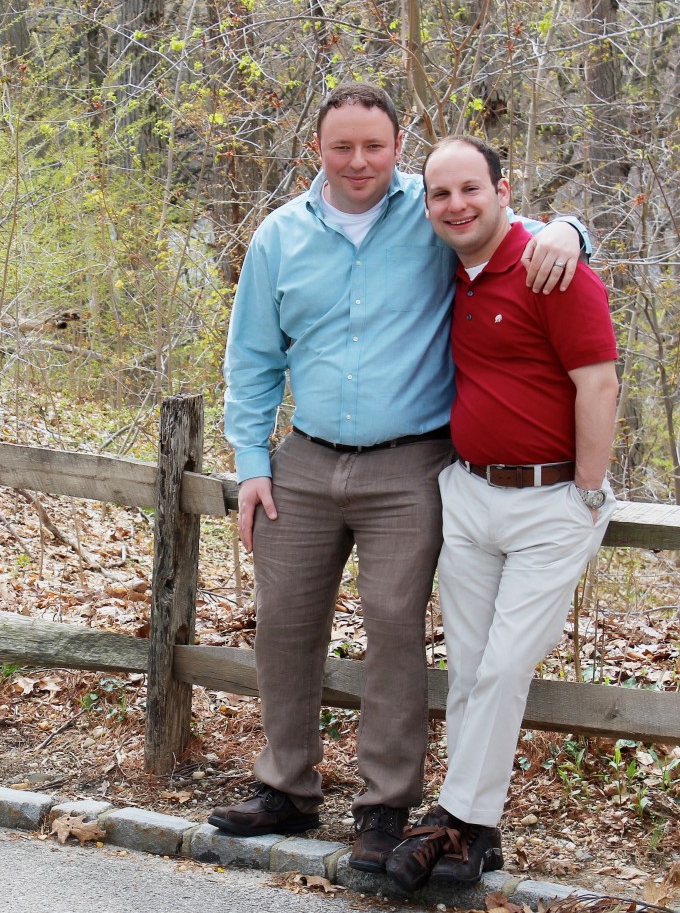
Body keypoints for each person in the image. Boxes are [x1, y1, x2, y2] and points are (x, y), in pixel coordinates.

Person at [208, 83, 590, 874]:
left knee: (392, 628)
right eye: (342, 146)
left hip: (412, 459)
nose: (358, 162)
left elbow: (506, 230)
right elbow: (251, 360)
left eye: (374, 147)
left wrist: (570, 227)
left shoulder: (430, 212)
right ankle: (286, 785)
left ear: (397, 146)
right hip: (305, 459)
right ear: (317, 148)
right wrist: (251, 463)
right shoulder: (279, 237)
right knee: (282, 622)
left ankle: (384, 806)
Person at [384, 135, 617, 891]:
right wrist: (570, 220)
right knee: (474, 667)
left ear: (503, 189)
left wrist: (586, 493)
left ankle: (454, 821)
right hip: (471, 496)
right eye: (440, 194)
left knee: (507, 664)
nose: (455, 205)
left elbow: (600, 385)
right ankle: (471, 835)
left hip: (553, 502)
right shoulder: (453, 273)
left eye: (469, 190)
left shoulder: (557, 272)